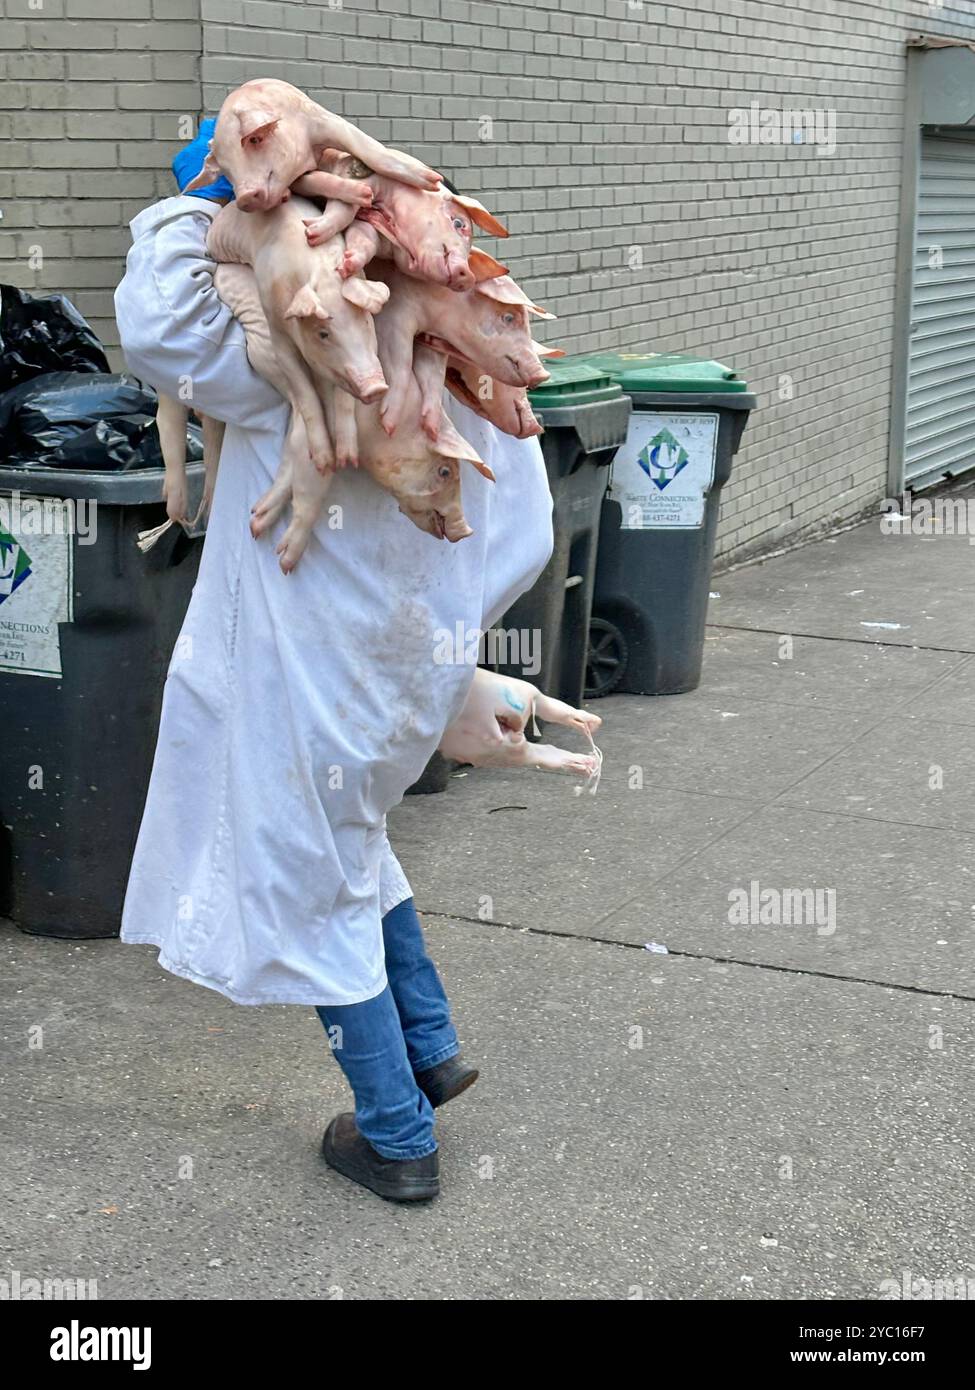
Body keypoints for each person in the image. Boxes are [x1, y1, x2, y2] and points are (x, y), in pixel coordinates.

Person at [113, 120, 554, 1202]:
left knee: (310, 886)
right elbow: (530, 532)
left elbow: (154, 326)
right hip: (399, 677)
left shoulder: (289, 348)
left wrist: (199, 202)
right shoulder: (463, 358)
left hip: (304, 678)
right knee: (351, 848)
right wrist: (442, 641)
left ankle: (395, 1138)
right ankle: (433, 1044)